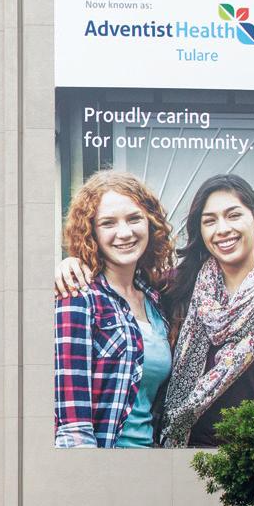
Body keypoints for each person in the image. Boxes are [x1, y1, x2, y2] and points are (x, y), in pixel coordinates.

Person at [55, 173, 254, 448]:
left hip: (247, 460)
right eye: (209, 220)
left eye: (234, 215)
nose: (223, 229)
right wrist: (71, 263)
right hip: (172, 455)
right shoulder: (177, 289)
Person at [54, 171, 174, 448]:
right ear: (92, 232)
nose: (125, 233)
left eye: (134, 219)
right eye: (108, 223)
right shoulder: (78, 296)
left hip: (152, 459)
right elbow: (73, 423)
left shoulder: (156, 301)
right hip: (104, 462)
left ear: (151, 222)